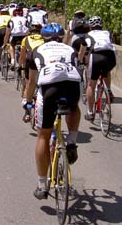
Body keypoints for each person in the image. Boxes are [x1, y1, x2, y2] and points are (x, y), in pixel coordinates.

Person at [22, 23, 81, 200]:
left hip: (49, 90)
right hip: (72, 87)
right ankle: (71, 141)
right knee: (74, 107)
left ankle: (42, 185)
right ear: (61, 36)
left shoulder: (37, 51)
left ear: (43, 37)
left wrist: (26, 101)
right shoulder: (70, 49)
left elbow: (32, 82)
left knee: (43, 136)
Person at [79, 16, 117, 121]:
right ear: (101, 25)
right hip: (110, 57)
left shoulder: (88, 35)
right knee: (106, 71)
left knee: (91, 84)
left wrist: (79, 61)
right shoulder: (108, 33)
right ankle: (108, 90)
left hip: (96, 57)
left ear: (90, 26)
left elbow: (82, 52)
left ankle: (90, 112)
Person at [18, 17, 45, 104]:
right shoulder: (45, 38)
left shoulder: (25, 39)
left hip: (30, 61)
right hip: (43, 61)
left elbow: (22, 56)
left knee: (29, 84)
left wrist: (20, 66)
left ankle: (27, 111)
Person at [4, 6, 29, 70]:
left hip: (14, 36)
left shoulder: (11, 20)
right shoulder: (25, 19)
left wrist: (5, 43)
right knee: (25, 47)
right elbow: (29, 29)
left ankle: (12, 60)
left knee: (11, 45)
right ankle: (25, 59)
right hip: (24, 36)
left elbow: (7, 33)